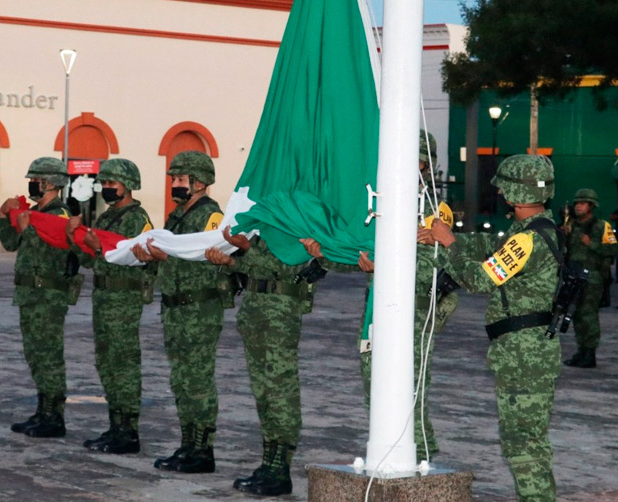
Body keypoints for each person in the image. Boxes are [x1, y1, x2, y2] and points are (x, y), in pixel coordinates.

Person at [301, 130, 459, 464]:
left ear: (424, 165)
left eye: (411, 159)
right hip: (377, 312)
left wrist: (384, 267)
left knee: (410, 395)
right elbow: (358, 253)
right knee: (376, 390)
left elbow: (437, 266)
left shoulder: (433, 211)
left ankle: (421, 462)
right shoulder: (380, 203)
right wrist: (324, 254)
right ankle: (386, 457)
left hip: (414, 318)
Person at [428, 154, 560, 502]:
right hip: (524, 350)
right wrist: (443, 237)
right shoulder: (533, 231)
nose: (500, 194)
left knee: (523, 441)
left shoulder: (527, 240)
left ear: (515, 193)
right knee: (525, 438)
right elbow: (491, 247)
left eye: (504, 188)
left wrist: (449, 243)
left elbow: (481, 280)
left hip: (524, 353)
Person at [206, 227, 324, 496]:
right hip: (257, 313)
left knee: (280, 391)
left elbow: (284, 265)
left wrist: (246, 249)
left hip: (279, 315)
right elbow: (256, 269)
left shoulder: (296, 224)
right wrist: (232, 262)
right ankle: (269, 463)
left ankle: (280, 469)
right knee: (264, 392)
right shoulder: (264, 224)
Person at [131, 151, 226, 473]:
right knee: (181, 380)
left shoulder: (210, 216)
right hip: (176, 309)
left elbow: (201, 252)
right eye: (173, 178)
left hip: (199, 309)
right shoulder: (177, 216)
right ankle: (188, 445)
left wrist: (166, 255)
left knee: (197, 380)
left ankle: (203, 451)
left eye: (180, 179)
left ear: (199, 182)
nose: (174, 184)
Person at [66, 159, 154, 454]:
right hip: (103, 301)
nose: (106, 189)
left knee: (124, 365)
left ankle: (128, 431)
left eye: (111, 184)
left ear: (127, 185)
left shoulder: (137, 219)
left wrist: (101, 248)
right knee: (106, 364)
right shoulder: (106, 218)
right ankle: (115, 425)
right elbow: (93, 261)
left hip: (124, 302)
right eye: (103, 184)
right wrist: (78, 241)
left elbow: (140, 262)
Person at [0, 157, 74, 438]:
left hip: (49, 296)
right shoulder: (32, 212)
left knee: (49, 355)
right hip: (29, 295)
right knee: (35, 355)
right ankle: (43, 410)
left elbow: (56, 252)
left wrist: (29, 226)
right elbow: (9, 243)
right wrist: (3, 216)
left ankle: (55, 416)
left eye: (37, 180)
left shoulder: (60, 215)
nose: (32, 184)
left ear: (51, 183)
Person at [563, 188, 617, 369]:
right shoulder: (571, 224)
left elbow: (612, 250)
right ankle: (581, 350)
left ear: (591, 206)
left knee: (589, 315)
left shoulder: (601, 226)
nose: (579, 206)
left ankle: (590, 353)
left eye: (583, 203)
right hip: (574, 275)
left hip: (592, 277)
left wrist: (591, 244)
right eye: (577, 203)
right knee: (575, 314)